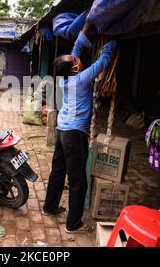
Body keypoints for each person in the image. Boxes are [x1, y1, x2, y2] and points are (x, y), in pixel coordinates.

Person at [42, 23, 117, 233]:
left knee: (58, 171)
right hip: (74, 134)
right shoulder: (82, 79)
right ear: (75, 68)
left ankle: (50, 207)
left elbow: (75, 50)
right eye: (74, 60)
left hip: (63, 130)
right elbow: (104, 60)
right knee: (77, 181)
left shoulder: (66, 78)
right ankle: (73, 224)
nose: (76, 57)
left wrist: (85, 30)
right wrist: (110, 37)